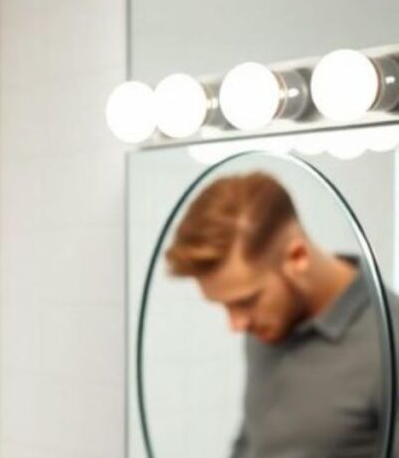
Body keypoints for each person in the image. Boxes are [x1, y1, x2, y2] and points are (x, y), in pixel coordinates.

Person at [165, 171, 395, 457]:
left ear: (297, 257)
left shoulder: (390, 340)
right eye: (224, 305)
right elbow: (253, 441)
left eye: (247, 301)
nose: (236, 325)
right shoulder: (265, 327)